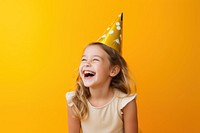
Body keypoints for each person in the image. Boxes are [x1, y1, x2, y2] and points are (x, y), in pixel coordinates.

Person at [66, 13, 138, 133]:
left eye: (95, 60)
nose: (87, 63)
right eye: (84, 59)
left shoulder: (125, 103)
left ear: (113, 70)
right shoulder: (75, 101)